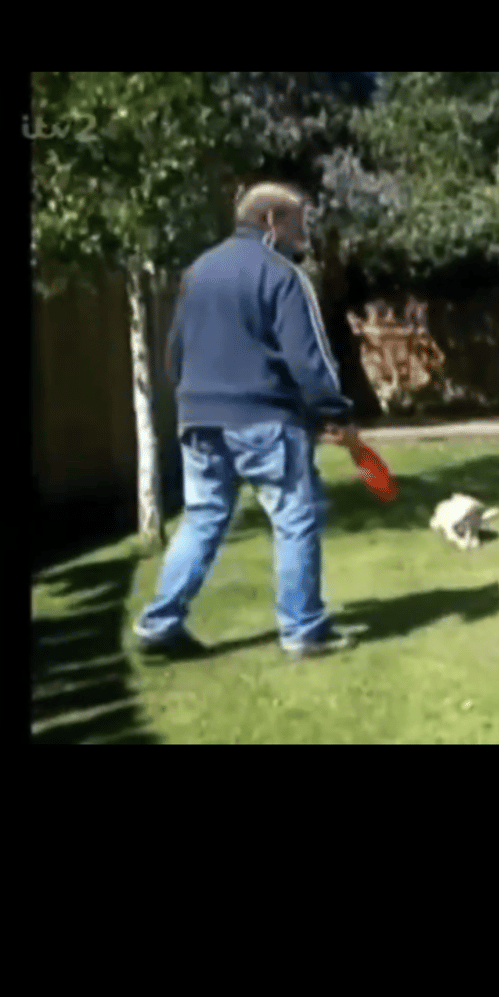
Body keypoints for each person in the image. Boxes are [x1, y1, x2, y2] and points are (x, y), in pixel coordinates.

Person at [133, 181, 362, 660]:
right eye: (299, 224)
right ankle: (302, 630)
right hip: (265, 418)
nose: (304, 235)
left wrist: (191, 400)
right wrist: (335, 411)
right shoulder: (282, 275)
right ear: (272, 221)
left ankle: (160, 623)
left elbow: (174, 352)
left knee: (202, 519)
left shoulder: (197, 271)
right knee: (295, 519)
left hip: (198, 419)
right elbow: (310, 360)